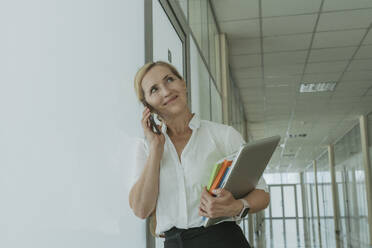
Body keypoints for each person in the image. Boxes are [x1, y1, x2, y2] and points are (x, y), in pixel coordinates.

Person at [129, 61, 270, 248]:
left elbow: (262, 194)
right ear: (148, 106)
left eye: (169, 80)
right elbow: (141, 209)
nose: (166, 91)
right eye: (154, 89)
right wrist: (156, 148)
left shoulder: (223, 135)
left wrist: (235, 206)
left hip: (223, 240)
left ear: (183, 84)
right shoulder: (146, 147)